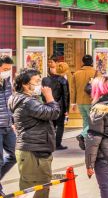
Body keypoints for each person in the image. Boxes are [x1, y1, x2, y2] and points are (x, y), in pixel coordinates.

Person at [9, 68, 62, 198]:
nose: (41, 85)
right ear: (25, 84)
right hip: (34, 153)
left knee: (30, 190)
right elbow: (54, 113)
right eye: (37, 81)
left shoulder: (21, 98)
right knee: (37, 190)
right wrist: (50, 97)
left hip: (32, 150)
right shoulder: (28, 102)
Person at [42, 58, 69, 150]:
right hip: (59, 105)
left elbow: (42, 94)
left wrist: (45, 103)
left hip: (47, 105)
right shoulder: (63, 80)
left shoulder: (45, 80)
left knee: (50, 125)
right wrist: (66, 109)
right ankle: (57, 144)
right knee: (60, 125)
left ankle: (49, 143)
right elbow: (65, 96)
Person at [0, 56, 16, 198]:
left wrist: (13, 120)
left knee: (14, 156)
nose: (7, 72)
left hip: (8, 125)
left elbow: (9, 101)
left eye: (9, 70)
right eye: (5, 69)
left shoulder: (6, 80)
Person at [70, 55, 98, 126]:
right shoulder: (97, 73)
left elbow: (73, 89)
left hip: (80, 102)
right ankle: (84, 135)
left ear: (83, 62)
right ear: (92, 62)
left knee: (85, 119)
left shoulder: (76, 74)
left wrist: (73, 103)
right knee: (92, 121)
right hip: (92, 101)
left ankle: (85, 136)